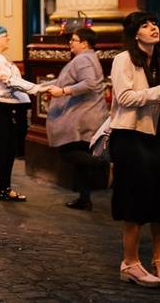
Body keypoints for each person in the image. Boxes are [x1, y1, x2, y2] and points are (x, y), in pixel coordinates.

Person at [109, 11, 160, 287]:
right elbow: (125, 97)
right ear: (134, 34)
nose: (153, 28)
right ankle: (129, 263)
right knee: (135, 198)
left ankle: (159, 260)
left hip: (153, 135)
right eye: (145, 25)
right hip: (129, 136)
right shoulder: (123, 59)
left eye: (154, 23)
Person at [0, 23, 49, 209]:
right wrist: (38, 88)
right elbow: (10, 80)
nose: (8, 38)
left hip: (1, 107)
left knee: (8, 150)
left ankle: (4, 190)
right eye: (5, 35)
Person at [45, 27, 110, 210]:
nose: (70, 43)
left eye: (73, 40)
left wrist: (63, 91)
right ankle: (84, 198)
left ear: (84, 43)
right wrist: (42, 87)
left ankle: (106, 165)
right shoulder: (87, 58)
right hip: (86, 115)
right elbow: (66, 82)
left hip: (83, 117)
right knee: (82, 158)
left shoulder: (83, 59)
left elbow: (88, 83)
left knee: (67, 152)